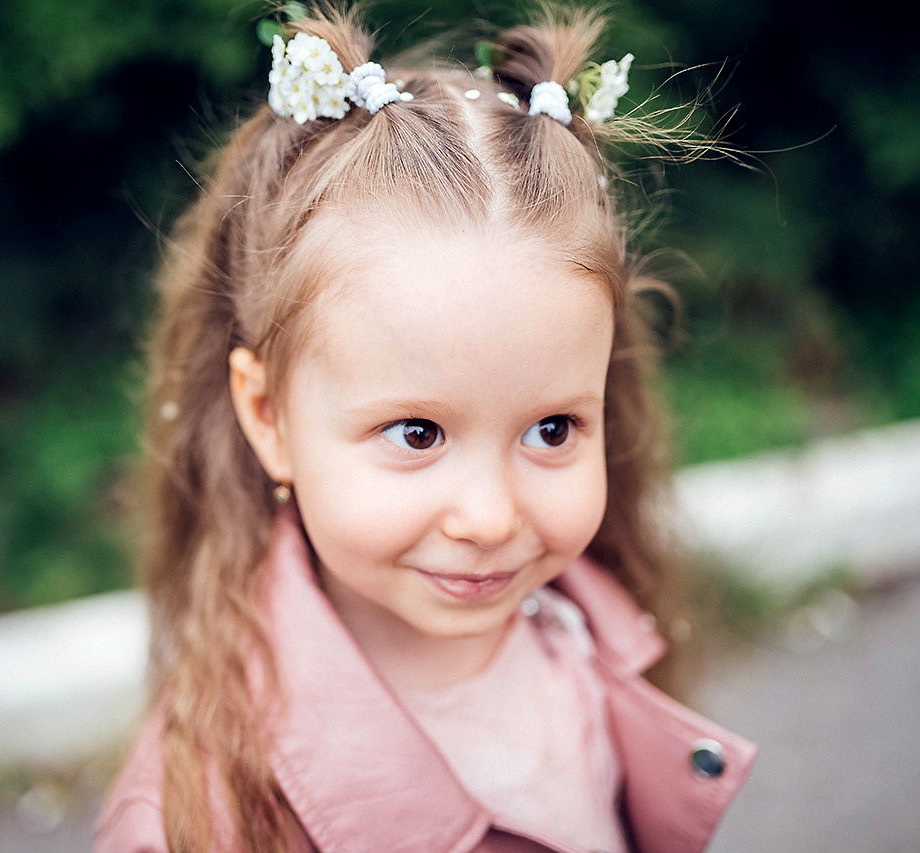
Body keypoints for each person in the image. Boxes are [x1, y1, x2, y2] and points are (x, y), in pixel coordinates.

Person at [97, 4, 755, 851]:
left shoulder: (589, 633)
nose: (489, 517)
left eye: (552, 429)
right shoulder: (203, 820)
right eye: (416, 434)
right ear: (268, 417)